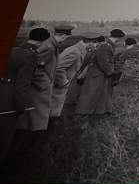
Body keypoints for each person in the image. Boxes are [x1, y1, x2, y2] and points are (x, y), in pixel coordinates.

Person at [0, 28, 50, 164]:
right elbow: (23, 84)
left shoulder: (15, 50)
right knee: (3, 141)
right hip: (9, 102)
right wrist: (20, 106)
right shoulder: (30, 55)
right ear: (42, 42)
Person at [17, 25, 73, 131]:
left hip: (40, 88)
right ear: (63, 36)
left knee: (36, 118)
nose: (66, 40)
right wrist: (45, 84)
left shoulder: (52, 45)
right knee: (35, 119)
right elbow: (34, 67)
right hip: (38, 90)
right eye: (66, 37)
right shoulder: (49, 47)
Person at [50, 32, 100, 117]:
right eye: (96, 43)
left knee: (56, 112)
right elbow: (58, 69)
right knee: (52, 113)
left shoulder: (80, 50)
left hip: (61, 86)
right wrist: (64, 83)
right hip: (58, 86)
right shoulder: (74, 51)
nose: (96, 46)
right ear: (90, 42)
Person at [76, 29, 125, 115]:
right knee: (92, 94)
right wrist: (111, 73)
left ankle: (97, 111)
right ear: (118, 38)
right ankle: (86, 113)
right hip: (98, 74)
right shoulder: (106, 46)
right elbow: (104, 61)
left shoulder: (107, 44)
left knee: (98, 94)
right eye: (119, 39)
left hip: (99, 73)